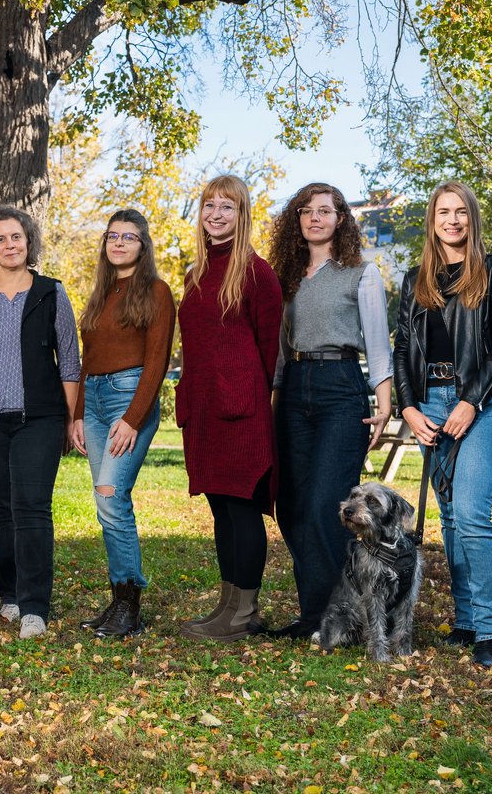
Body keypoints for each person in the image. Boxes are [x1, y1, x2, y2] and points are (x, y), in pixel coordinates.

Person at [393, 181, 492, 668]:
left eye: (461, 212)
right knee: (448, 519)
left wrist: (471, 401)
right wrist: (409, 408)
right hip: (430, 405)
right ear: (432, 220)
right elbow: (403, 349)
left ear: (473, 218)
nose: (452, 220)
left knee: (470, 514)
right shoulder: (415, 280)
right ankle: (465, 621)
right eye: (443, 212)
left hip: (484, 402)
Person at [265, 183, 393, 639]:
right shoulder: (286, 277)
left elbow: (378, 343)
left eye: (325, 210)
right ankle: (313, 615)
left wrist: (384, 402)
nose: (315, 218)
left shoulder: (361, 272)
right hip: (294, 391)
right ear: (296, 219)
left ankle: (340, 619)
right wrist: (274, 401)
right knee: (292, 506)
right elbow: (280, 351)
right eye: (307, 210)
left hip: (341, 388)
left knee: (325, 505)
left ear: (341, 218)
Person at [0, 204, 81, 640]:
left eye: (17, 237)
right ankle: (9, 597)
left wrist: (69, 418)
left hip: (39, 419)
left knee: (32, 509)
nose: (10, 245)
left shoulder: (51, 292)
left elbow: (70, 361)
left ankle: (35, 607)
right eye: (1, 239)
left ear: (29, 242)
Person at [175, 174, 283, 642]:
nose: (216, 215)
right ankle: (227, 604)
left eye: (227, 208)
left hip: (242, 412)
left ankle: (245, 613)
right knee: (220, 508)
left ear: (242, 216)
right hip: (203, 410)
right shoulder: (195, 274)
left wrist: (251, 399)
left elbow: (270, 350)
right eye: (209, 206)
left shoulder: (258, 274)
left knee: (241, 509)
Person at [69, 209, 176, 638]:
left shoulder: (156, 291)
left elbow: (156, 361)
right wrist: (76, 414)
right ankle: (118, 600)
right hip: (92, 399)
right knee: (105, 501)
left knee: (112, 498)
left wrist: (133, 418)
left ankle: (130, 605)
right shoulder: (100, 293)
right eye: (112, 236)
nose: (118, 243)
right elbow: (85, 359)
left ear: (142, 245)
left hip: (128, 396)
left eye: (128, 237)